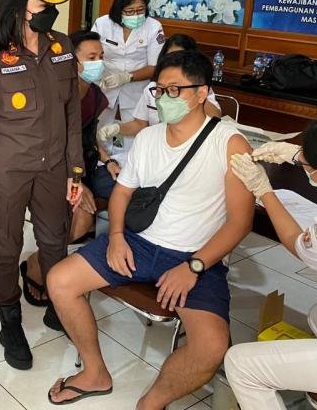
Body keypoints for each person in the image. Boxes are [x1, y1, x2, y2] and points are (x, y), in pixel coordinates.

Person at [46, 50, 254, 407]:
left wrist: (194, 267)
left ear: (202, 93)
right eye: (159, 90)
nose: (164, 99)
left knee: (211, 347)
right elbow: (122, 193)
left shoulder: (229, 143)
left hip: (196, 257)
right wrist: (115, 237)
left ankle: (152, 402)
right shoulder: (148, 138)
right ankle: (95, 373)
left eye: (175, 90)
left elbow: (240, 221)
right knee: (60, 281)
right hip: (139, 244)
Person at [0, 0, 83, 371]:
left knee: (55, 241)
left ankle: (58, 305)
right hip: (8, 173)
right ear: (19, 5)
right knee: (6, 247)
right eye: (44, 4)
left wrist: (75, 170)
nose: (52, 11)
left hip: (54, 168)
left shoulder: (61, 46)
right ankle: (9, 321)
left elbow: (71, 113)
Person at [225, 117, 317, 409]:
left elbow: (297, 244)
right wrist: (295, 155)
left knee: (240, 364)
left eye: (307, 160)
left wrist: (263, 190)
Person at [20, 30, 121, 306]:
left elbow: (89, 134)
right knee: (80, 222)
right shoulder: (55, 94)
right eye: (91, 57)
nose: (98, 63)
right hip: (54, 168)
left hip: (85, 163)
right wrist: (77, 181)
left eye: (101, 57)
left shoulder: (95, 94)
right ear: (71, 61)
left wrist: (108, 160)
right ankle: (36, 264)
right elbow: (48, 144)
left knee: (125, 191)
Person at [98, 34, 221, 142]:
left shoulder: (199, 90)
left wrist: (195, 92)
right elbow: (140, 124)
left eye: (181, 58)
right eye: (170, 56)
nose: (173, 62)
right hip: (156, 146)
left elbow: (215, 118)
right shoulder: (152, 89)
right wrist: (116, 128)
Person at [91, 0, 165, 124]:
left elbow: (155, 66)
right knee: (98, 128)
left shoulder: (154, 27)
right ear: (119, 9)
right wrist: (97, 74)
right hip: (104, 84)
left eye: (140, 10)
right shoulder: (102, 24)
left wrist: (126, 77)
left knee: (134, 130)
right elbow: (90, 52)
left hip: (136, 89)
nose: (136, 15)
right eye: (130, 11)